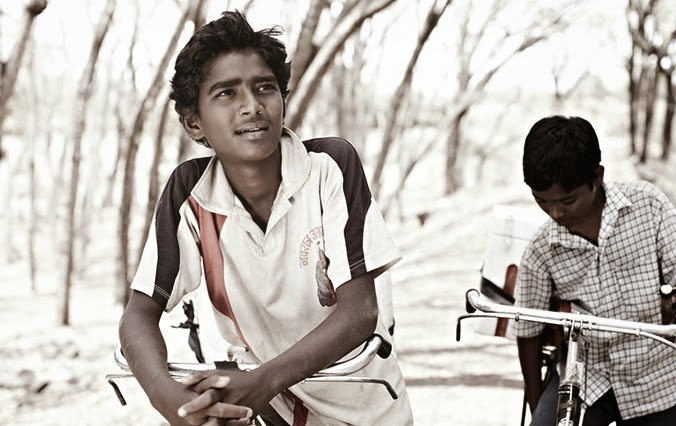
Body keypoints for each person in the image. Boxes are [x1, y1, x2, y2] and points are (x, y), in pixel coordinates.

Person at [118, 10, 413, 426]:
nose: (252, 106)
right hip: (267, 410)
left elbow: (360, 312)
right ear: (194, 123)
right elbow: (139, 313)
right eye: (227, 93)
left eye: (265, 88)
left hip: (363, 403)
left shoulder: (329, 166)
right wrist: (169, 399)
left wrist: (262, 381)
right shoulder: (190, 192)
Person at [512, 115, 676, 425]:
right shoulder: (541, 249)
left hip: (659, 375)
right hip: (587, 376)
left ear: (597, 177)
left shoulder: (650, 207)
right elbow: (528, 332)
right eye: (541, 201)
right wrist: (537, 409)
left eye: (567, 200)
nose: (555, 212)